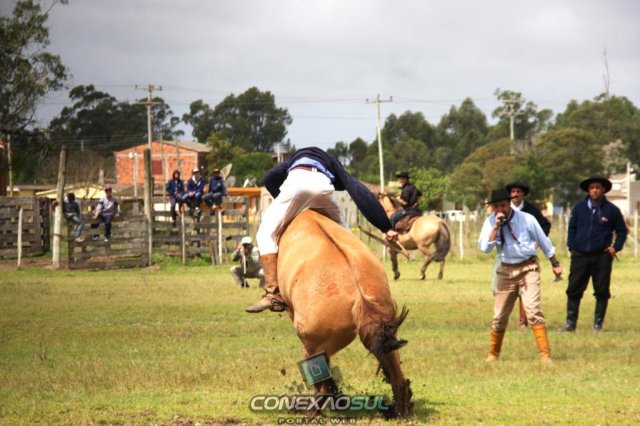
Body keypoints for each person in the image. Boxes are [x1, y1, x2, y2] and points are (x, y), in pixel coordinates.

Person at [245, 146, 398, 313]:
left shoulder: (292, 160)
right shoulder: (331, 162)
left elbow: (270, 177)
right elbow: (359, 191)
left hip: (297, 185)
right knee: (347, 238)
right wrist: (386, 227)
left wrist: (285, 203)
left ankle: (273, 294)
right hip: (324, 190)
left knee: (265, 233)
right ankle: (363, 281)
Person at [478, 188, 562, 362]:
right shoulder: (490, 222)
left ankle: (545, 355)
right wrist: (496, 226)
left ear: (509, 204)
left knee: (533, 310)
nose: (500, 210)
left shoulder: (526, 219)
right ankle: (493, 354)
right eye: (496, 207)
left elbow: (544, 241)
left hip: (528, 268)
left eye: (503, 205)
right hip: (505, 270)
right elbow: (485, 248)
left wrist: (555, 263)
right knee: (499, 316)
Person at [558, 176, 628, 332]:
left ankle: (598, 324)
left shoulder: (612, 210)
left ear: (603, 190)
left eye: (598, 187)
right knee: (573, 289)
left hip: (602, 256)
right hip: (580, 255)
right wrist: (572, 247)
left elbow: (622, 231)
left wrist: (615, 248)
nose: (595, 190)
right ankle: (570, 324)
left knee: (602, 290)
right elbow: (572, 228)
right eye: (592, 188)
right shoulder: (579, 208)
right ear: (588, 190)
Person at [505, 181, 552, 329]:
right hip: (507, 256)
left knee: (525, 290)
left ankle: (523, 321)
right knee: (500, 289)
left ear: (523, 194)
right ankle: (502, 320)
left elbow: (545, 225)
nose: (515, 195)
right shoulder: (504, 208)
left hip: (526, 256)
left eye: (518, 192)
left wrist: (538, 241)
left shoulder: (531, 210)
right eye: (513, 192)